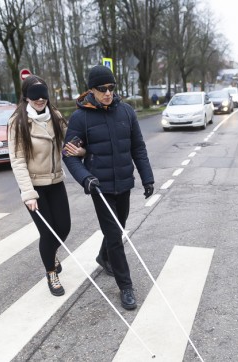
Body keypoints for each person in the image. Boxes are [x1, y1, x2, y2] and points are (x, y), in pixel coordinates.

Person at [63, 65, 154, 310]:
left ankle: (103, 257)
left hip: (124, 182)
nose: (107, 93)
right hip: (99, 187)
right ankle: (126, 287)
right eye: (102, 89)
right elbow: (69, 155)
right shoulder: (80, 117)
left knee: (119, 226)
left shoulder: (126, 112)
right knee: (115, 236)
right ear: (91, 90)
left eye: (111, 88)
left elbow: (138, 148)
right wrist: (86, 178)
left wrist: (147, 178)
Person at [8, 75, 84, 297]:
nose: (40, 100)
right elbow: (17, 160)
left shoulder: (56, 116)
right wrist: (28, 193)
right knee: (48, 233)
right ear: (26, 96)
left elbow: (70, 141)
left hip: (56, 181)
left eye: (43, 95)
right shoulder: (18, 122)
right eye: (34, 95)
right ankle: (51, 272)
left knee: (64, 228)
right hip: (34, 187)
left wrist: (80, 150)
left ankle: (51, 253)